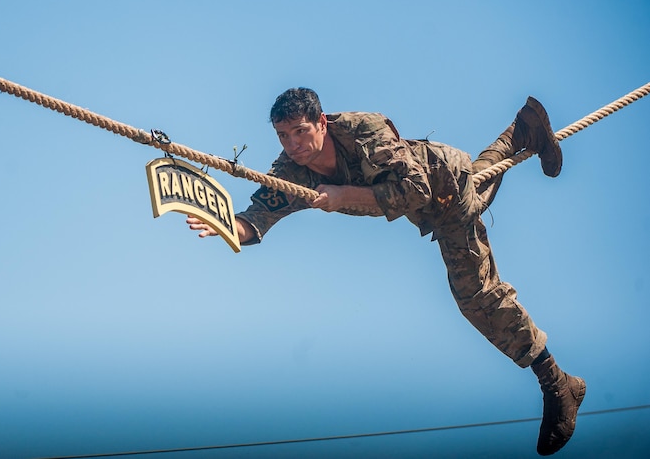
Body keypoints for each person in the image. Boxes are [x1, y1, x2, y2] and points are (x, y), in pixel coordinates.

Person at [187, 87, 585, 456]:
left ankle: (558, 384)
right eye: (282, 136)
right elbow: (258, 214)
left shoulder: (363, 130)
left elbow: (417, 189)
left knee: (476, 297)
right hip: (430, 204)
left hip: (440, 184)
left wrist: (346, 195)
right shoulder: (292, 170)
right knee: (479, 183)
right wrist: (225, 226)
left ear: (321, 123)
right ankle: (522, 129)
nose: (292, 145)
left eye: (299, 131)